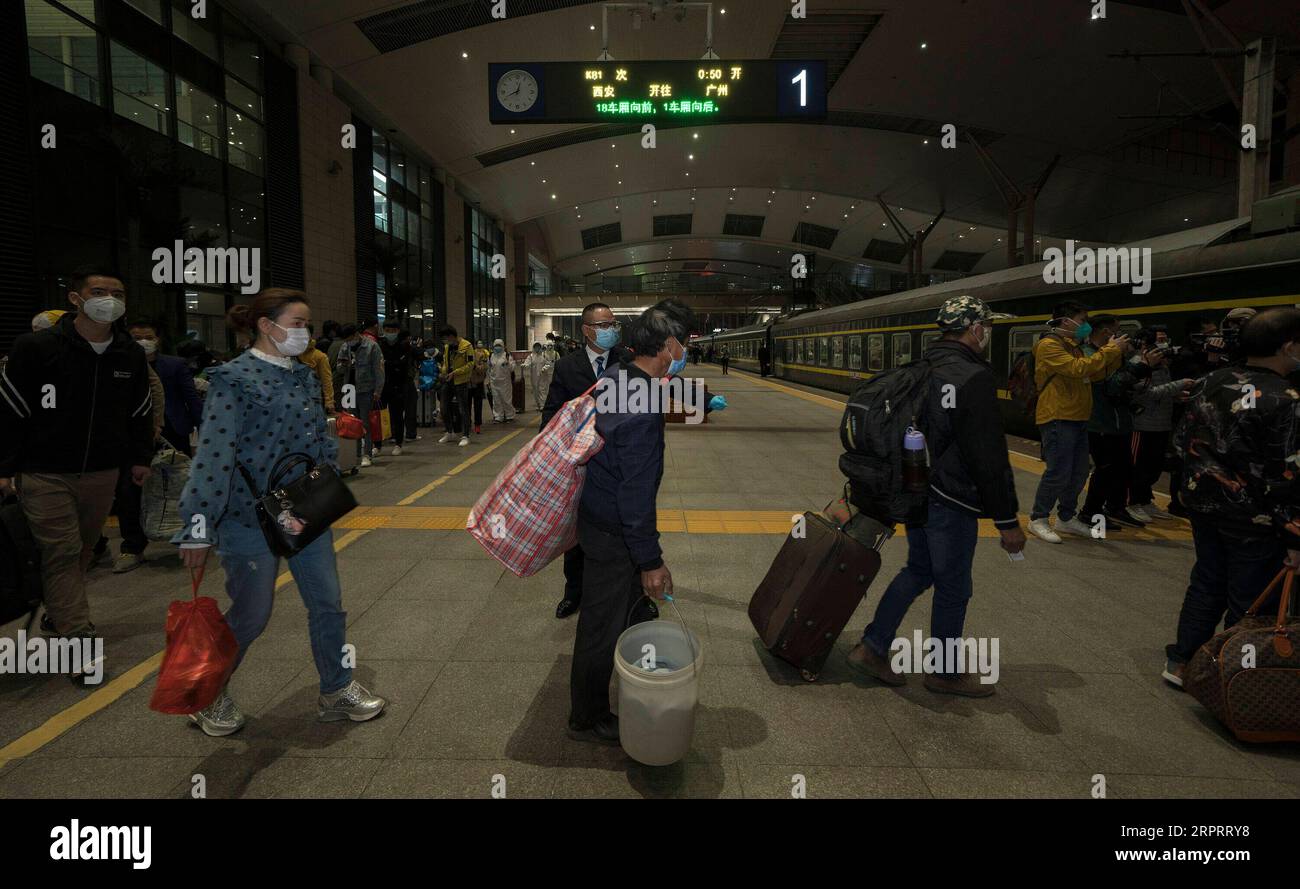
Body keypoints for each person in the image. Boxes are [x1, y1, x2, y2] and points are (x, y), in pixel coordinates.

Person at [174, 289, 386, 736]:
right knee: (252, 613)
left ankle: (336, 687)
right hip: (247, 515)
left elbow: (316, 439)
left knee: (327, 602)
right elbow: (213, 454)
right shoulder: (233, 379)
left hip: (302, 507)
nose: (304, 332)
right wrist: (197, 526)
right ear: (267, 326)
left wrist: (327, 475)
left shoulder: (304, 375)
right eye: (297, 323)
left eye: (307, 324)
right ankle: (206, 693)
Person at [845, 296, 1025, 696]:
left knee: (920, 571)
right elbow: (987, 456)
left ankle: (874, 646)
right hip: (952, 498)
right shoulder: (972, 377)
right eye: (986, 327)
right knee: (954, 586)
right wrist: (1007, 519)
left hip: (916, 491)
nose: (987, 333)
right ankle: (943, 672)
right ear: (975, 329)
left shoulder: (923, 368)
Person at [0, 269, 153, 668]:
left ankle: (60, 608)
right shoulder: (35, 347)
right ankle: (76, 631)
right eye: (98, 291)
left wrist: (140, 458)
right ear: (75, 299)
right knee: (62, 549)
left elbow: (140, 410)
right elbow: (12, 411)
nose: (109, 298)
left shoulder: (129, 354)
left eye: (117, 292)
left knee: (85, 547)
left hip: (103, 471)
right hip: (44, 470)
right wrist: (5, 466)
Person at [568, 299, 693, 744]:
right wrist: (650, 560)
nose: (686, 351)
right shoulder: (642, 405)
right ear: (668, 344)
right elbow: (635, 495)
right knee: (601, 625)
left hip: (597, 517)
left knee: (611, 617)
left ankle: (601, 697)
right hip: (612, 532)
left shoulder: (618, 378)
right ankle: (587, 716)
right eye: (686, 342)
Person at [1162, 307, 1300, 688]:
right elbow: (1285, 474)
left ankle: (1183, 661)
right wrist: (1294, 534)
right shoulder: (1285, 399)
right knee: (1250, 601)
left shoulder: (1210, 381)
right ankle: (1234, 678)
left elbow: (1180, 443)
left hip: (1203, 505)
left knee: (1207, 582)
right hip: (1255, 519)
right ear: (1288, 346)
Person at [542, 302, 630, 620]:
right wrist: (547, 451)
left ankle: (635, 596)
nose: (610, 330)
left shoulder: (627, 362)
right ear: (586, 330)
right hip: (581, 465)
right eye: (603, 325)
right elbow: (553, 410)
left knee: (628, 530)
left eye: (613, 324)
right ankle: (574, 593)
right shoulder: (567, 366)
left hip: (620, 464)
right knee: (576, 533)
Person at [1026, 301, 1128, 544]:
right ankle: (1038, 518)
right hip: (1057, 416)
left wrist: (1112, 352)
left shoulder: (1074, 346)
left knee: (1079, 471)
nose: (1085, 326)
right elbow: (1076, 369)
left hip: (1079, 417)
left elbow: (1096, 374)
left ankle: (1066, 517)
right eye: (1082, 321)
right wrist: (1111, 351)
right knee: (1058, 471)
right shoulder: (1048, 345)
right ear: (1065, 321)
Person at [1078, 314, 1149, 532]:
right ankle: (1091, 511)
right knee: (1105, 469)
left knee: (1124, 468)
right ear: (1105, 331)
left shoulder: (1116, 355)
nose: (1119, 335)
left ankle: (1115, 506)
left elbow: (1127, 384)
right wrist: (1136, 367)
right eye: (1116, 330)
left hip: (1120, 421)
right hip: (1099, 421)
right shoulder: (1089, 354)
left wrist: (1143, 366)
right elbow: (1110, 385)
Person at [1127, 327, 1194, 522]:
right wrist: (1179, 385)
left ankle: (1145, 500)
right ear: (1146, 344)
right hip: (1142, 425)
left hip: (1161, 424)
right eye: (1160, 340)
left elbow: (1160, 393)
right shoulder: (1137, 365)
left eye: (1166, 339)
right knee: (1138, 467)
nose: (1165, 344)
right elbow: (1146, 394)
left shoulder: (1162, 365)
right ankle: (1131, 502)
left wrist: (1175, 396)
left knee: (1153, 467)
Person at [334, 323, 384, 467]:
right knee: (351, 421)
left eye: (350, 338)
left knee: (365, 422)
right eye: (346, 340)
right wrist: (344, 364)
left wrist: (377, 391)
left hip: (366, 389)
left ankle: (366, 454)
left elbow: (379, 370)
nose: (348, 342)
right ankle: (354, 453)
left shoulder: (372, 347)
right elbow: (339, 369)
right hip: (349, 388)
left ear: (356, 334)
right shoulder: (345, 347)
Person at [378, 320, 414, 455]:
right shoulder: (380, 345)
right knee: (378, 415)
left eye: (392, 331)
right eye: (387, 330)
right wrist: (392, 364)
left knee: (397, 415)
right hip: (382, 385)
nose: (390, 333)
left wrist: (389, 364)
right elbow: (379, 364)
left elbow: (403, 364)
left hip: (398, 385)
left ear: (398, 331)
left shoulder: (404, 346)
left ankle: (398, 443)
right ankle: (377, 444)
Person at [438, 325, 474, 446]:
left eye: (445, 338)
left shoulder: (467, 346)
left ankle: (465, 435)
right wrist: (443, 372)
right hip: (448, 381)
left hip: (461, 381)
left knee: (463, 409)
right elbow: (445, 363)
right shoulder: (447, 347)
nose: (445, 341)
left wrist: (455, 373)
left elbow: (470, 364)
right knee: (443, 407)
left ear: (451, 336)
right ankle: (449, 432)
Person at [296, 325, 335, 415]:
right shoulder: (292, 354)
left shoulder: (320, 356)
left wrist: (329, 402)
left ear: (309, 336)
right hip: (296, 400)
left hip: (314, 400)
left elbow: (327, 381)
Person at [486, 339, 517, 423]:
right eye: (496, 346)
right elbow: (489, 369)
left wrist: (508, 364)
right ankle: (498, 416)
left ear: (503, 346)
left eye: (499, 345)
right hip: (494, 382)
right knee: (496, 400)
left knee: (506, 400)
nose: (497, 347)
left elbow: (512, 368)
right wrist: (488, 380)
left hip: (505, 383)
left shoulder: (507, 356)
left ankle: (509, 415)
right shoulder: (491, 356)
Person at [469, 340, 489, 434]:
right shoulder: (460, 355)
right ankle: (467, 423)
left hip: (477, 383)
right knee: (466, 405)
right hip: (466, 383)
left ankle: (477, 425)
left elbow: (483, 369)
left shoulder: (480, 355)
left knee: (478, 405)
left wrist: (474, 366)